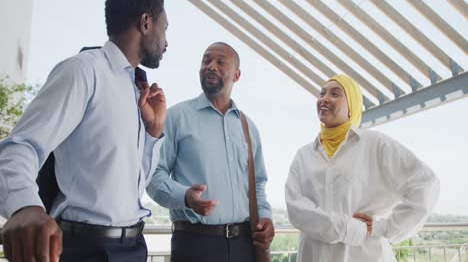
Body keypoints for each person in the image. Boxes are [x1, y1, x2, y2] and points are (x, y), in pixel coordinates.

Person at [0, 0, 168, 261]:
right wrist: (26, 208)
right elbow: (21, 146)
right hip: (88, 250)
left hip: (134, 247)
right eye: (164, 28)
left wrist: (153, 130)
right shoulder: (83, 70)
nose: (166, 41)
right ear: (146, 23)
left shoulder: (136, 90)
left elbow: (134, 184)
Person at [285, 74, 440, 262]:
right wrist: (349, 228)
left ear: (352, 106)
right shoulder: (304, 155)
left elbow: (425, 183)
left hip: (365, 254)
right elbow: (296, 208)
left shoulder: (375, 144)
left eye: (335, 94)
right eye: (322, 93)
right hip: (315, 255)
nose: (324, 98)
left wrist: (386, 227)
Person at [147, 42, 274, 262]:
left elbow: (258, 186)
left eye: (220, 62)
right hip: (194, 245)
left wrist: (266, 217)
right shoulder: (175, 117)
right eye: (206, 61)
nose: (211, 66)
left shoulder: (248, 126)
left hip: (244, 246)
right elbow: (152, 175)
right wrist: (186, 197)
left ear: (236, 75)